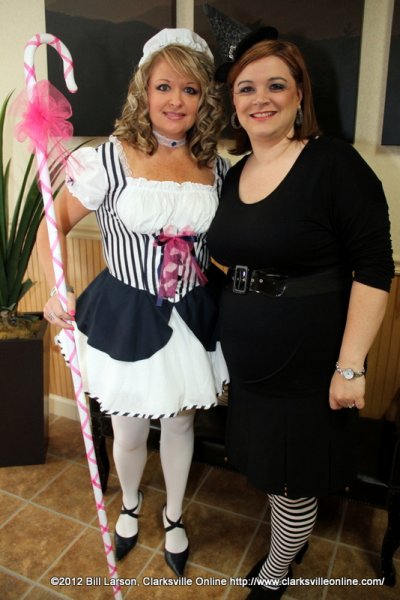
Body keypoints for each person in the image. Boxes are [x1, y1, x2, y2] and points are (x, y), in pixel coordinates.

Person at [207, 27, 394, 598]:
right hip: (250, 358)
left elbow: (374, 268)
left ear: (299, 94)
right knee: (270, 465)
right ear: (233, 102)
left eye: (275, 85)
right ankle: (287, 545)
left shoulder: (334, 164)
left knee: (293, 478)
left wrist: (351, 366)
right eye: (246, 88)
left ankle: (279, 566)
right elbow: (231, 260)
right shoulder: (236, 172)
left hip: (309, 359)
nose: (259, 98)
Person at [36, 28, 229, 577]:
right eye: (164, 86)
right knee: (127, 430)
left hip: (193, 313)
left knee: (182, 424)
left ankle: (173, 514)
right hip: (124, 311)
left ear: (204, 98)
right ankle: (130, 505)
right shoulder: (107, 160)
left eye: (190, 89)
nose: (176, 100)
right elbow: (54, 224)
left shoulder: (218, 165)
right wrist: (54, 287)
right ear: (143, 90)